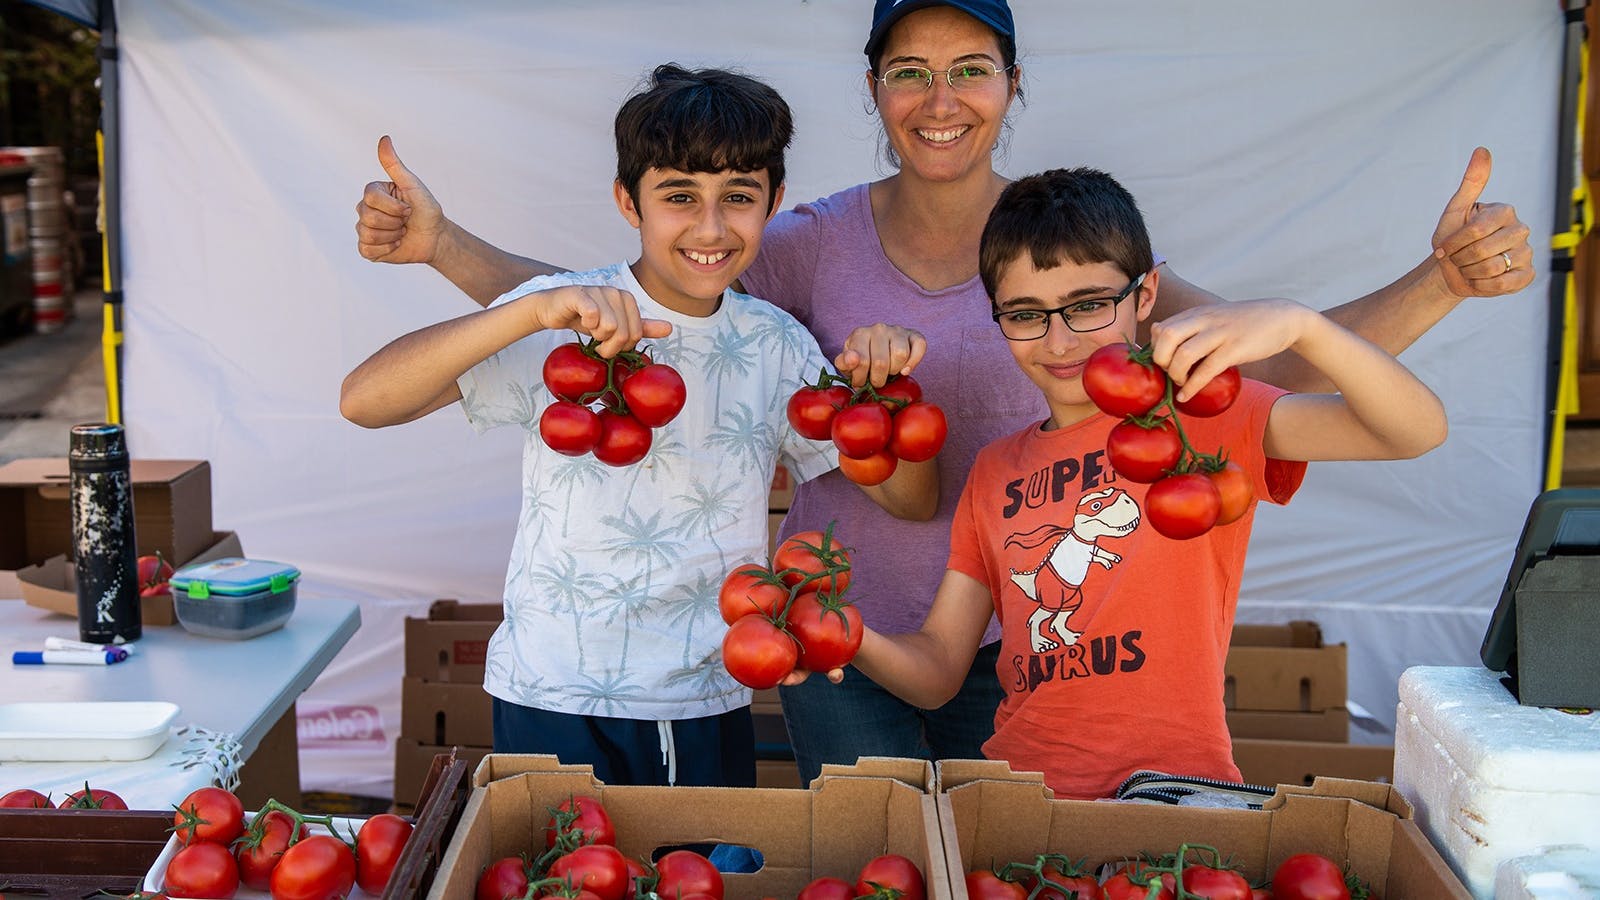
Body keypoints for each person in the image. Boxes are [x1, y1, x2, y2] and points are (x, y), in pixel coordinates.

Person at [350, 1, 1533, 784]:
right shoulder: (799, 244)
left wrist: (1439, 283)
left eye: (969, 70)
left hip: (1023, 647)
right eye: (908, 72)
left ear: (1010, 84)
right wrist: (453, 252)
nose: (939, 97)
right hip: (845, 645)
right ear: (874, 90)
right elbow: (632, 303)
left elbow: (1273, 366)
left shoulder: (1065, 245)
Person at [339, 64, 937, 789]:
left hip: (702, 696)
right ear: (629, 201)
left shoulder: (778, 346)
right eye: (679, 196)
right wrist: (525, 311)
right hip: (549, 686)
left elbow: (908, 499)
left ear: (775, 202)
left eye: (739, 197)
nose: (711, 227)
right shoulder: (562, 314)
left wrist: (884, 391)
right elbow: (364, 400)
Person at [787, 166, 1447, 800]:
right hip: (1021, 803)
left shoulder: (1202, 417)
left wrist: (1305, 326)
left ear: (1145, 297)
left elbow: (1412, 432)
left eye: (1088, 305)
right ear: (997, 319)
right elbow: (937, 669)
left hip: (1175, 791)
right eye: (1025, 314)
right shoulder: (994, 471)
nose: (1060, 339)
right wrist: (848, 634)